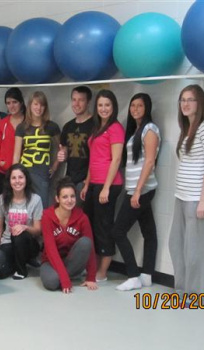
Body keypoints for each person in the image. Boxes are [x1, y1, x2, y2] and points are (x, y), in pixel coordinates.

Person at [111, 94, 160, 291]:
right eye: (132, 105)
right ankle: (147, 274)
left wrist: (138, 191)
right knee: (149, 232)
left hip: (141, 190)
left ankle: (133, 275)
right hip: (136, 189)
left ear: (147, 108)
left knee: (117, 231)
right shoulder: (136, 130)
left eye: (140, 106)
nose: (135, 109)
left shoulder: (150, 129)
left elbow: (149, 161)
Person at [80, 89, 124, 282]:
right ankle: (93, 266)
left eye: (107, 105)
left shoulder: (115, 128)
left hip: (109, 185)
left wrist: (106, 187)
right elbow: (93, 159)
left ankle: (103, 272)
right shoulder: (97, 128)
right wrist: (86, 184)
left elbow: (116, 160)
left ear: (113, 107)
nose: (104, 108)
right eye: (100, 105)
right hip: (94, 184)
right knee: (90, 226)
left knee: (103, 227)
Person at [170, 84, 204, 297]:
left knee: (193, 250)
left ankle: (195, 293)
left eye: (190, 99)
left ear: (199, 103)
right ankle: (181, 289)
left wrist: (202, 201)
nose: (185, 104)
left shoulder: (202, 129)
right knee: (176, 245)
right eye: (182, 99)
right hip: (180, 195)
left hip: (195, 198)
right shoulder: (187, 129)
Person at [40, 177, 98, 293]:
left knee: (86, 242)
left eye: (72, 196)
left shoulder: (82, 218)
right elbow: (50, 249)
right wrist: (65, 280)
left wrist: (91, 277)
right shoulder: (47, 217)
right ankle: (65, 275)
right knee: (51, 283)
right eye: (65, 197)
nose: (69, 200)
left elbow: (90, 248)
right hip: (50, 262)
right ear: (57, 199)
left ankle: (64, 274)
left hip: (71, 260)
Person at [0, 164, 42, 279]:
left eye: (21, 177)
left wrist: (25, 227)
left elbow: (38, 230)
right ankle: (17, 263)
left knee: (18, 234)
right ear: (9, 181)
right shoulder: (2, 199)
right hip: (7, 243)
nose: (17, 181)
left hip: (28, 243)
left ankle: (22, 270)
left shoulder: (36, 199)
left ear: (26, 179)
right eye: (13, 178)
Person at [13, 91, 60, 208]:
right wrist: (13, 174)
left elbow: (61, 149)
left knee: (42, 205)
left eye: (42, 105)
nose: (38, 108)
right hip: (25, 171)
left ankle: (40, 227)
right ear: (30, 106)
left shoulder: (52, 127)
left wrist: (55, 166)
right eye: (35, 104)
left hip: (43, 172)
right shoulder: (22, 127)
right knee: (23, 205)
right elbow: (16, 155)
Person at [58, 86, 94, 207]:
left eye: (81, 100)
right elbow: (64, 150)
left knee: (80, 215)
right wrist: (62, 155)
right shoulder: (68, 126)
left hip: (87, 179)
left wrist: (88, 181)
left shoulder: (95, 125)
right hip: (70, 178)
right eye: (74, 99)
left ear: (88, 102)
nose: (76, 103)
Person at [0, 87, 25, 200]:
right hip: (4, 172)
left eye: (15, 102)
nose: (12, 106)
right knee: (2, 204)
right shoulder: (2, 124)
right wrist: (1, 162)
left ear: (21, 102)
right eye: (8, 103)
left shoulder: (28, 123)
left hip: (24, 172)